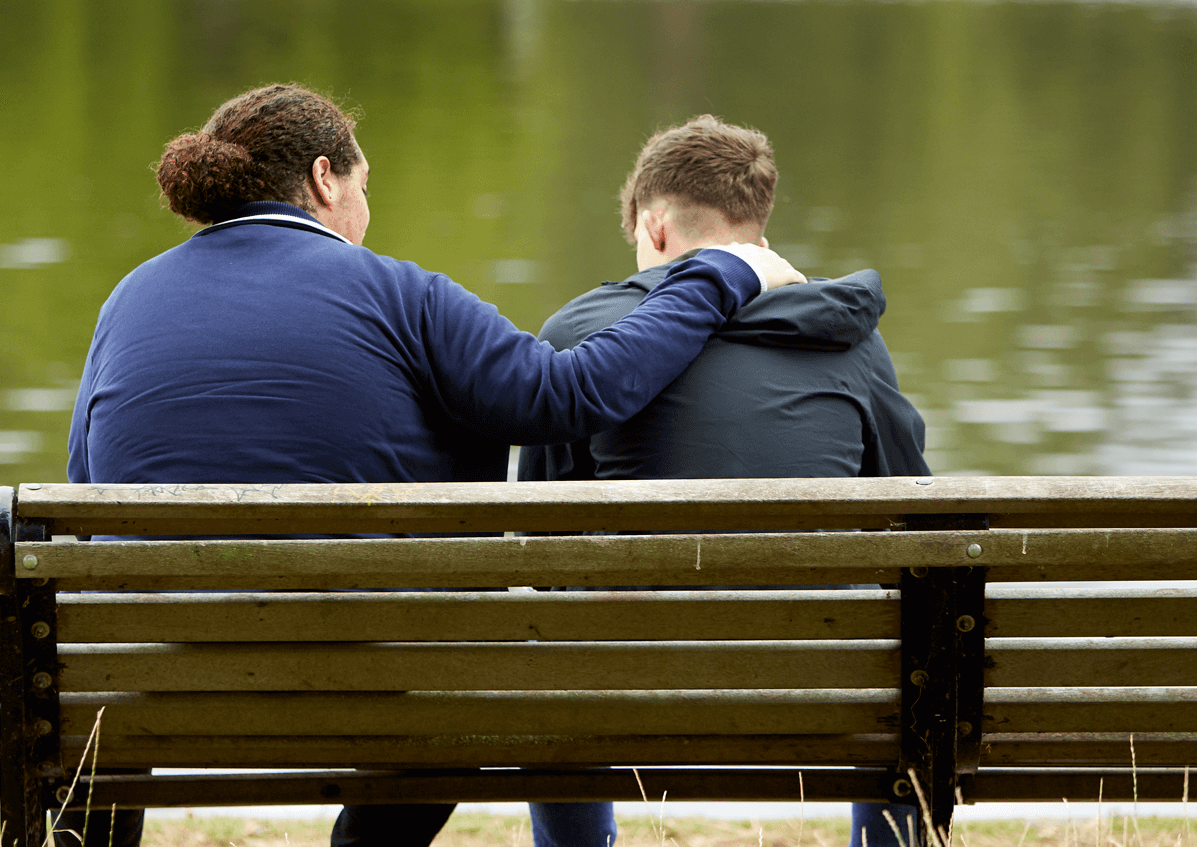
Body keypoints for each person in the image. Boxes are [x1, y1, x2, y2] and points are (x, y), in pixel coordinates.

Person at [64, 84, 815, 847]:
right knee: (468, 670)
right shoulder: (399, 295)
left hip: (164, 674)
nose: (366, 209)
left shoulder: (126, 302)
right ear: (326, 179)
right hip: (379, 678)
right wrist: (720, 272)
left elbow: (86, 491)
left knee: (101, 671)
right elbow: (571, 393)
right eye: (365, 185)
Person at [518, 115, 932, 847]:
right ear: (759, 239)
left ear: (652, 227)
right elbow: (912, 512)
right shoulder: (851, 340)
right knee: (916, 656)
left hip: (626, 683)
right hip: (827, 679)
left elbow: (546, 546)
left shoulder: (580, 338)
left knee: (559, 651)